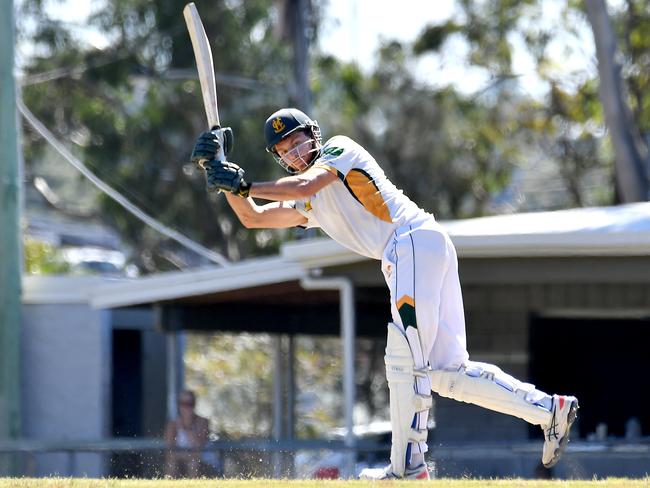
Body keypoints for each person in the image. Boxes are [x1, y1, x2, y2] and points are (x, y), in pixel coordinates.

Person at [189, 108, 579, 480]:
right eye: (285, 151)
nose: (295, 152)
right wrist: (220, 172)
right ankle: (549, 410)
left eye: (298, 141)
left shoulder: (339, 151)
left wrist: (244, 183)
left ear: (314, 134)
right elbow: (253, 217)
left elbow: (305, 183)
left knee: (405, 356)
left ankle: (408, 466)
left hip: (409, 242)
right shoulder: (307, 201)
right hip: (420, 249)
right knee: (447, 373)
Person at [164, 390, 210, 478]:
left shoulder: (202, 422)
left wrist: (187, 428)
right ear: (179, 405)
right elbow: (169, 452)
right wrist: (186, 456)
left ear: (194, 405)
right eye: (183, 404)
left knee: (193, 463)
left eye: (190, 404)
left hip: (202, 460)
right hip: (181, 460)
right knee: (171, 463)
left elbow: (199, 448)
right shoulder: (173, 424)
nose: (187, 408)